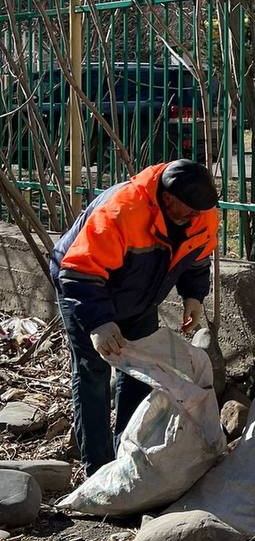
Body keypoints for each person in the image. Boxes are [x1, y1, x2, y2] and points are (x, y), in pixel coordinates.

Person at [50, 159, 220, 476]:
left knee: (138, 374)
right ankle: (98, 469)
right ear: (167, 197)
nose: (193, 218)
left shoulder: (200, 212)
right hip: (84, 287)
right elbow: (78, 273)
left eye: (198, 213)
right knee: (93, 375)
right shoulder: (122, 211)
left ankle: (127, 458)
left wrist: (193, 294)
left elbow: (197, 253)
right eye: (187, 211)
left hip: (139, 297)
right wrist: (98, 323)